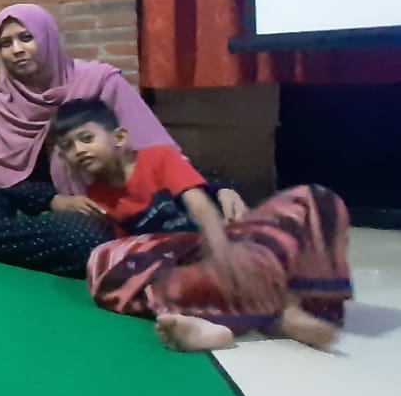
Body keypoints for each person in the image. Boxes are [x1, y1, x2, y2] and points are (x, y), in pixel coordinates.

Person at [51, 99, 352, 352]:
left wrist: (224, 253)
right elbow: (135, 259)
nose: (78, 150)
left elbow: (200, 206)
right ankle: (237, 321)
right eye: (67, 146)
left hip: (223, 245)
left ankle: (303, 305)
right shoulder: (97, 197)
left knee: (314, 198)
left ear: (119, 138)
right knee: (103, 261)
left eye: (86, 138)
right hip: (188, 270)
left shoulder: (159, 158)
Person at [0, 4, 184, 277]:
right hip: (20, 192)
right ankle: (64, 248)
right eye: (6, 43)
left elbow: (151, 149)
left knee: (85, 238)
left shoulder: (100, 82)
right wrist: (52, 201)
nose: (17, 49)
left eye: (26, 38)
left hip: (91, 195)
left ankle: (60, 246)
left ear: (47, 38)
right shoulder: (0, 99)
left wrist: (209, 190)